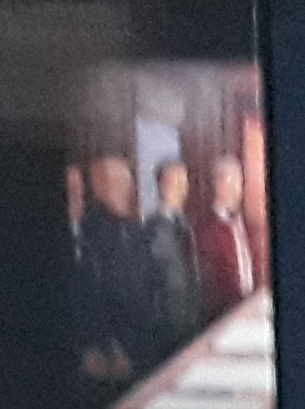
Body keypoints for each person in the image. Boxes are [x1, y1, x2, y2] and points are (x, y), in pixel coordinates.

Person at [70, 150, 160, 387]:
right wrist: (109, 344)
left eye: (125, 180)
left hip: (145, 338)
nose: (122, 187)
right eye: (113, 181)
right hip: (112, 348)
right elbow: (91, 295)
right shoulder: (88, 232)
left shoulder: (135, 228)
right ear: (97, 187)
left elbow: (150, 280)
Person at [191, 150, 263, 318]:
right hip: (223, 314)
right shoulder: (204, 230)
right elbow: (208, 285)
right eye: (231, 185)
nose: (237, 192)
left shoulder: (248, 225)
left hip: (252, 309)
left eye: (239, 185)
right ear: (218, 186)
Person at [144, 156, 203, 346]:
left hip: (192, 321)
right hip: (167, 327)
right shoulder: (151, 229)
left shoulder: (185, 225)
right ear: (161, 186)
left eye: (184, 183)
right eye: (175, 183)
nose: (182, 190)